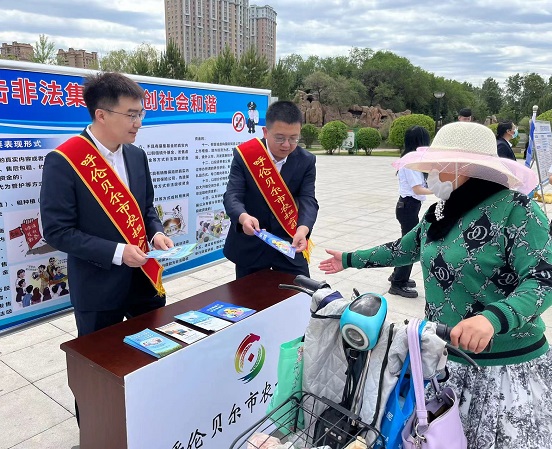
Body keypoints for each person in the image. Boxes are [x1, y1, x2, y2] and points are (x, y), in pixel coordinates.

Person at [319, 122, 552, 449]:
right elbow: (403, 249)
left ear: (463, 168)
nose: (430, 175)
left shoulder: (518, 210)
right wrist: (349, 259)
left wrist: (493, 318)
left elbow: (543, 277)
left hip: (504, 367)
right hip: (444, 356)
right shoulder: (440, 212)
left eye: (437, 167)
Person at [41, 72, 173, 338]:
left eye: (140, 114)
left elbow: (146, 208)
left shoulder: (136, 155)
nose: (138, 123)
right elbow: (58, 232)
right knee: (102, 361)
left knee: (157, 353)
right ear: (101, 115)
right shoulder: (64, 161)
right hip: (98, 290)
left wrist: (156, 232)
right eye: (131, 115)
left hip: (144, 282)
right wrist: (118, 252)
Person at [223, 100, 319, 278]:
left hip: (289, 242)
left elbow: (308, 199)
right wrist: (243, 218)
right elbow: (232, 195)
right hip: (252, 243)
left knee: (302, 290)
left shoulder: (306, 160)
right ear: (265, 132)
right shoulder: (246, 155)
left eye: (293, 138)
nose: (287, 145)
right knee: (249, 294)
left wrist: (303, 230)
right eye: (280, 138)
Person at [387, 126, 431, 298]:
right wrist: (440, 190)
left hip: (409, 207)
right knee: (411, 246)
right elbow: (417, 189)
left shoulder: (412, 159)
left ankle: (398, 275)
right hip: (408, 207)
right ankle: (398, 283)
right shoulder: (410, 162)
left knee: (408, 243)